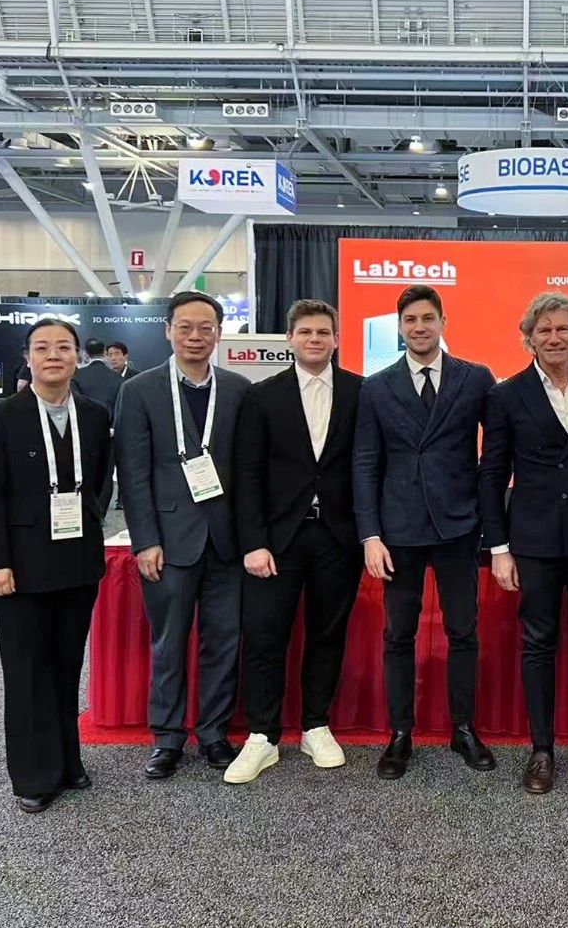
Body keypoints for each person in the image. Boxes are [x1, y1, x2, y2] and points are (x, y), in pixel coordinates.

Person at [479, 292, 568, 794]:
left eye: (563, 328)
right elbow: (492, 473)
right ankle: (541, 750)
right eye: (544, 330)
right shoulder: (505, 395)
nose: (554, 337)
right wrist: (498, 547)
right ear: (529, 339)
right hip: (533, 542)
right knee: (538, 645)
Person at [352, 285, 497, 780]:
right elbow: (365, 463)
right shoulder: (376, 387)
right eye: (410, 319)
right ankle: (400, 733)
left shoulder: (475, 378)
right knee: (399, 634)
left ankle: (463, 728)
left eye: (428, 318)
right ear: (400, 327)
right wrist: (370, 535)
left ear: (442, 322)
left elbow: (497, 450)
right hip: (398, 531)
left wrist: (489, 516)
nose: (419, 327)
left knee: (463, 631)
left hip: (459, 525)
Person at [0, 318, 112, 813]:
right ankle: (33, 774)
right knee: (27, 669)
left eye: (64, 347)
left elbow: (101, 480)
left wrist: (91, 523)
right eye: (43, 347)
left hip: (77, 561)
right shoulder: (2, 416)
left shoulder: (93, 414)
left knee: (66, 664)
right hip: (19, 567)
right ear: (28, 358)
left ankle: (68, 761)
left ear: (77, 357)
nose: (54, 355)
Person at [224, 300, 364, 784]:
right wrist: (253, 542)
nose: (315, 339)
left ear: (336, 339)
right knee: (264, 635)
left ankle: (315, 725)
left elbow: (368, 465)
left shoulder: (360, 392)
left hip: (338, 537)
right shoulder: (262, 396)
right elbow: (247, 473)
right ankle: (262, 735)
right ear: (289, 339)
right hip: (276, 540)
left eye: (324, 332)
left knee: (327, 634)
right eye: (305, 332)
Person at [114, 291, 250, 780]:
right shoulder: (140, 390)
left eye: (206, 328)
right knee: (168, 642)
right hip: (168, 542)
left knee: (224, 641)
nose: (196, 336)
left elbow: (247, 469)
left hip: (226, 541)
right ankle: (167, 738)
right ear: (168, 330)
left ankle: (213, 733)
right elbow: (133, 472)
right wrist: (145, 540)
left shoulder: (238, 389)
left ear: (219, 333)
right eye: (186, 327)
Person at [72, 338, 124, 424]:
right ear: (104, 353)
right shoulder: (118, 378)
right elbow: (121, 408)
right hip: (110, 428)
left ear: (85, 354)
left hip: (84, 426)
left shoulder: (76, 376)